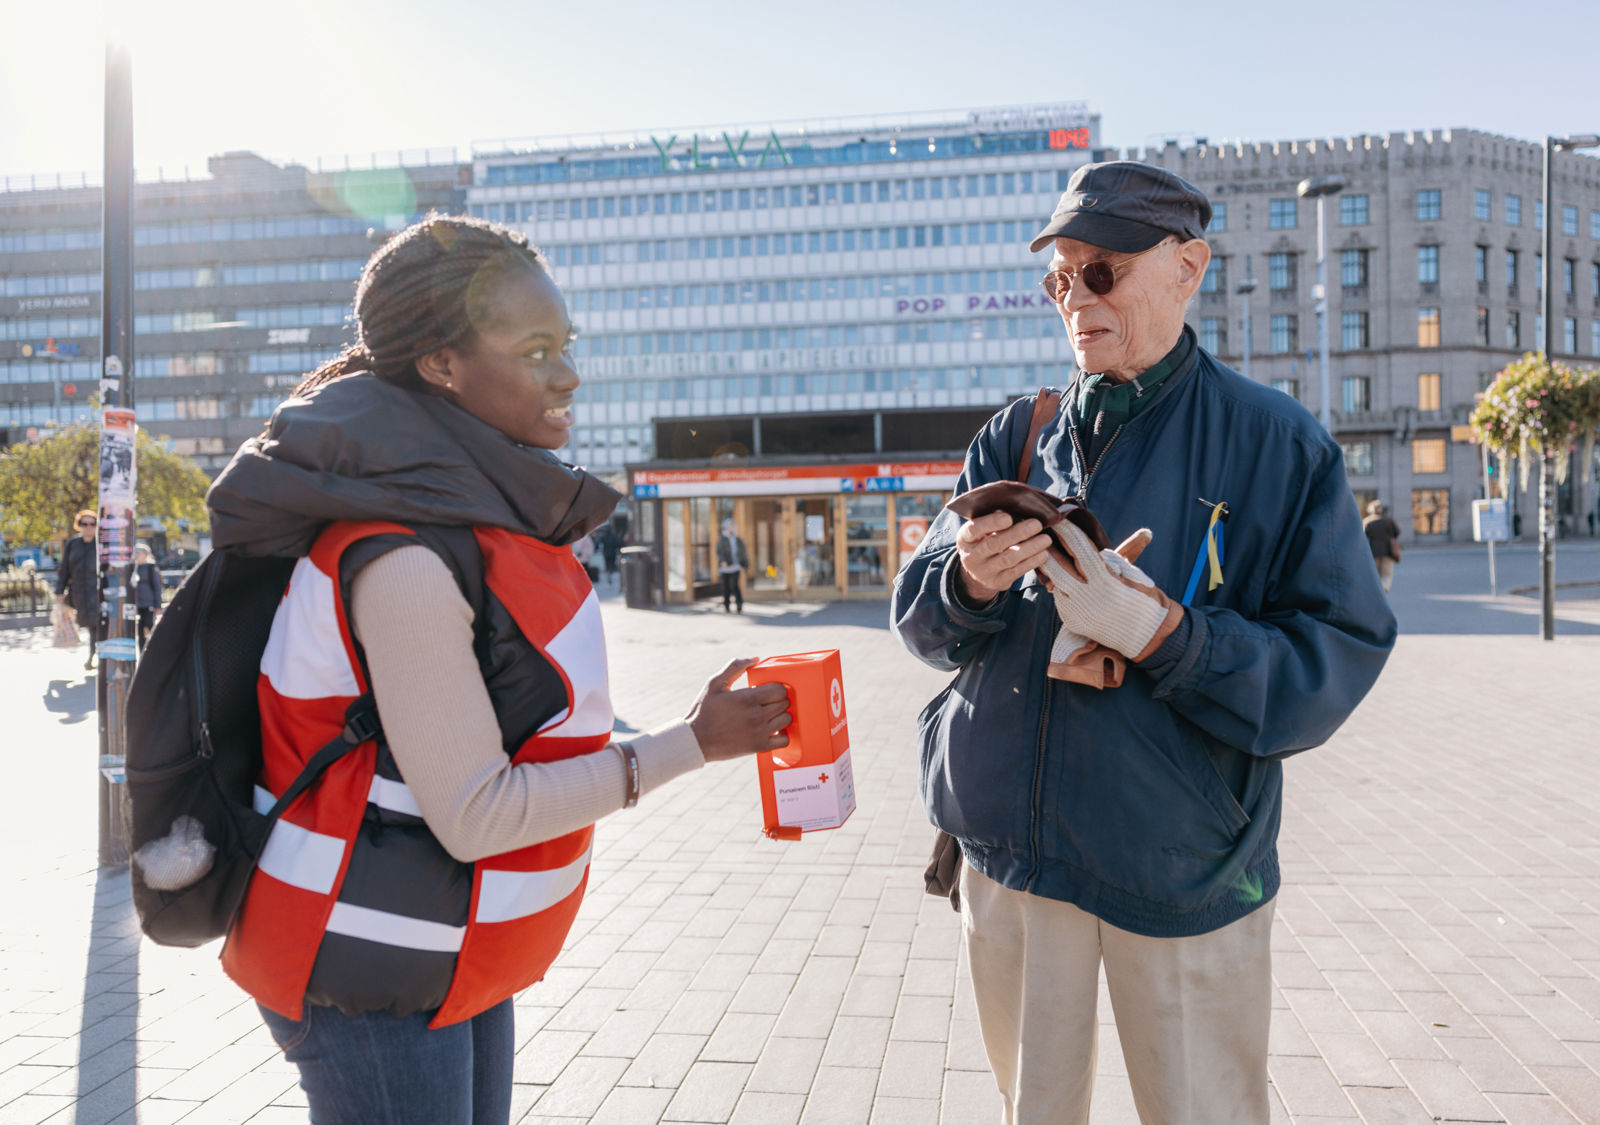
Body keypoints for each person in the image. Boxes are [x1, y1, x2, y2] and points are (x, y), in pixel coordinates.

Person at [203, 214, 792, 1125]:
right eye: (537, 349)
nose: (568, 374)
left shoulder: (459, 517)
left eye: (568, 345)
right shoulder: (403, 556)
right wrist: (691, 745)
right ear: (441, 365)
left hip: (438, 949)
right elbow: (478, 813)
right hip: (364, 967)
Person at [892, 162, 1396, 1125]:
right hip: (1014, 861)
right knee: (1031, 1109)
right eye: (1060, 278)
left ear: (1187, 267)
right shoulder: (1015, 434)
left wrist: (1167, 635)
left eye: (1103, 271)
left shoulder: (1279, 444)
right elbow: (920, 620)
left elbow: (1336, 656)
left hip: (1180, 869)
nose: (1075, 299)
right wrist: (969, 579)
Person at [55, 509, 100, 671]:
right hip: (79, 592)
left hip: (97, 591)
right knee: (88, 624)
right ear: (79, 525)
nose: (88, 527)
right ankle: (93, 654)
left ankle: (93, 656)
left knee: (96, 624)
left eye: (92, 524)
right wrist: (60, 591)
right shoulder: (72, 544)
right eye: (84, 523)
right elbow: (65, 568)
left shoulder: (101, 544)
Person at [128, 542, 163, 652]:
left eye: (139, 553)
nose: (137, 555)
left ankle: (155, 650)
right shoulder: (132, 568)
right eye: (136, 553)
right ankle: (142, 652)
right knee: (139, 630)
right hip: (137, 605)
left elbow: (157, 588)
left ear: (145, 554)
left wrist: (158, 605)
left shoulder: (151, 569)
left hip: (148, 604)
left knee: (150, 626)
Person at [1362, 500, 1403, 593]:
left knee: (1376, 574)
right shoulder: (1388, 520)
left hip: (1373, 551)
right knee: (1387, 574)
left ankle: (1378, 590)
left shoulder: (1367, 522)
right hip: (1388, 551)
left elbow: (1363, 538)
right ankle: (1384, 588)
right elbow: (1397, 532)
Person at [715, 518, 749, 612]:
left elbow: (743, 552)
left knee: (735, 585)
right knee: (726, 587)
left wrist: (744, 565)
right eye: (729, 526)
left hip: (735, 566)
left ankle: (739, 603)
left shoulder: (738, 540)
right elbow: (719, 552)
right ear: (726, 527)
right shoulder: (722, 539)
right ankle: (726, 604)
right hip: (725, 567)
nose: (731, 528)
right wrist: (722, 561)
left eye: (733, 526)